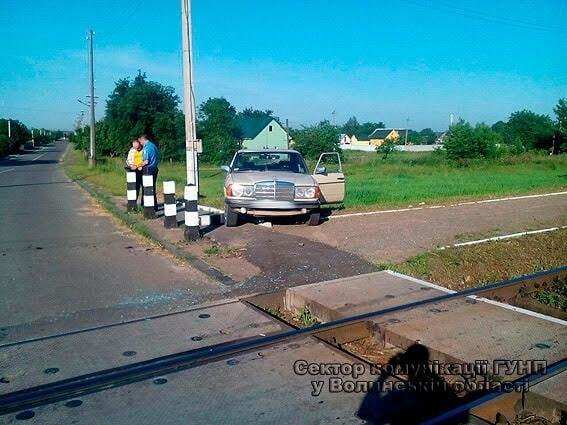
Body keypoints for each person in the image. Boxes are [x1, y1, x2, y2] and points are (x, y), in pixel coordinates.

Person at [138, 134, 159, 210]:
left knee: (147, 188)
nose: (140, 143)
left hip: (148, 169)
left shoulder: (147, 148)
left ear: (142, 139)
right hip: (154, 168)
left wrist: (137, 166)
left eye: (140, 141)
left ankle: (147, 206)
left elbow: (146, 161)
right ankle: (154, 205)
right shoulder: (154, 146)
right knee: (152, 187)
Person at [125, 139, 144, 205]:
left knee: (144, 187)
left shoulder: (144, 150)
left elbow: (146, 159)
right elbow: (128, 160)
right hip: (133, 170)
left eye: (137, 147)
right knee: (135, 187)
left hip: (142, 169)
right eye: (135, 147)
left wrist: (141, 165)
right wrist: (131, 165)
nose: (136, 148)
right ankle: (133, 203)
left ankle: (144, 204)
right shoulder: (132, 150)